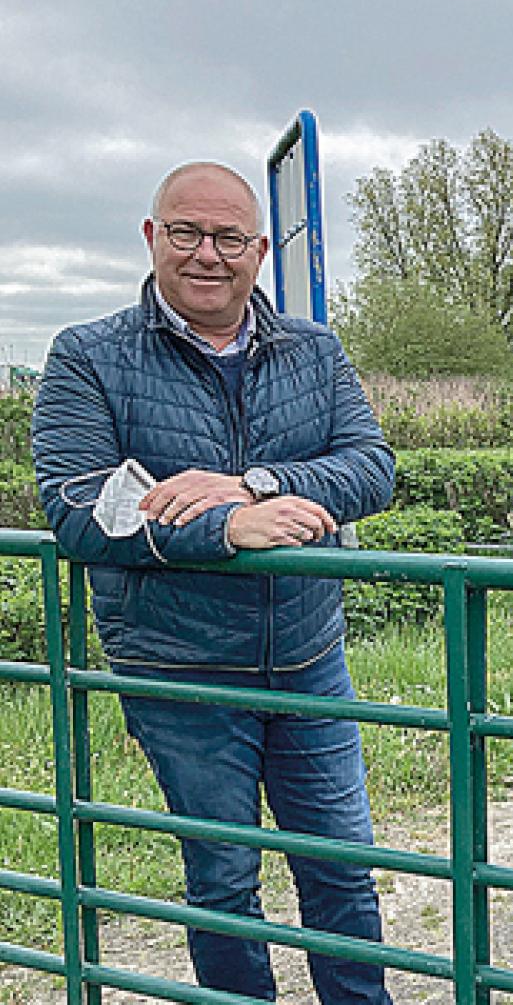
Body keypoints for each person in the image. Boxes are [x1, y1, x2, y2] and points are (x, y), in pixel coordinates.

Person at [31, 162, 396, 1003]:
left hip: (307, 657)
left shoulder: (315, 349)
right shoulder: (88, 356)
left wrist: (255, 487)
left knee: (344, 866)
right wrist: (223, 529)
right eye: (187, 232)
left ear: (259, 251)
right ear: (151, 237)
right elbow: (79, 504)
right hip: (178, 667)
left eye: (229, 237)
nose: (208, 254)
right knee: (225, 879)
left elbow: (372, 467)